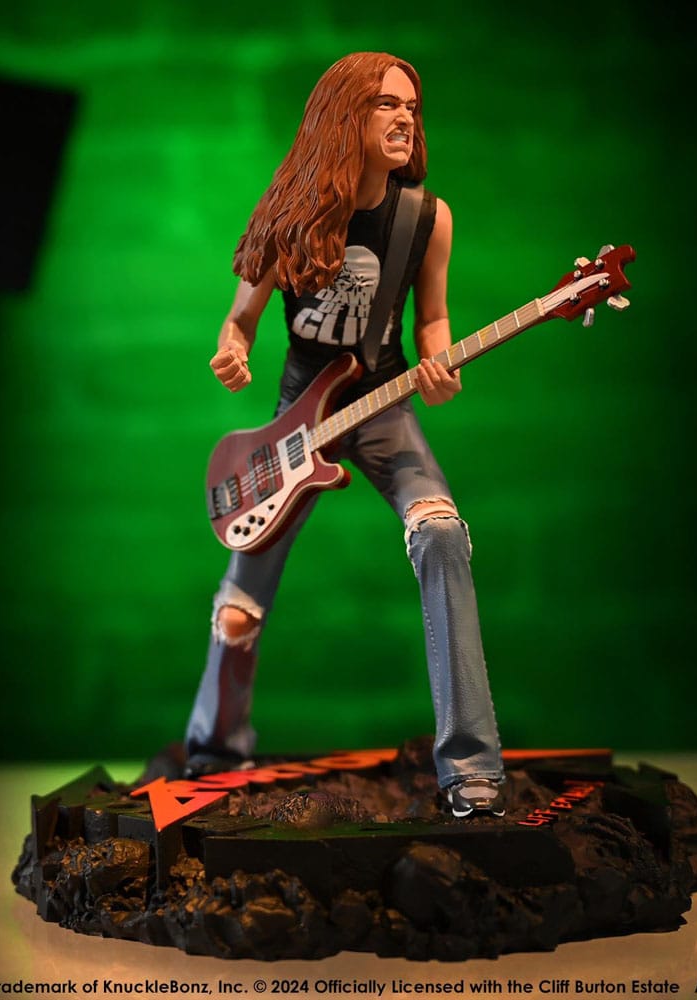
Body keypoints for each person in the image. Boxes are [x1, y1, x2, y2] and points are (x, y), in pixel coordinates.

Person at [183, 51, 505, 818]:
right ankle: (214, 752)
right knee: (238, 610)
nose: (405, 119)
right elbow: (240, 319)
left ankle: (470, 765)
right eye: (386, 104)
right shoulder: (288, 212)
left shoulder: (426, 218)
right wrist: (232, 350)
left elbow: (433, 319)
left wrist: (440, 365)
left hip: (384, 405)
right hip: (298, 415)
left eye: (412, 107)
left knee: (441, 535)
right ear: (344, 115)